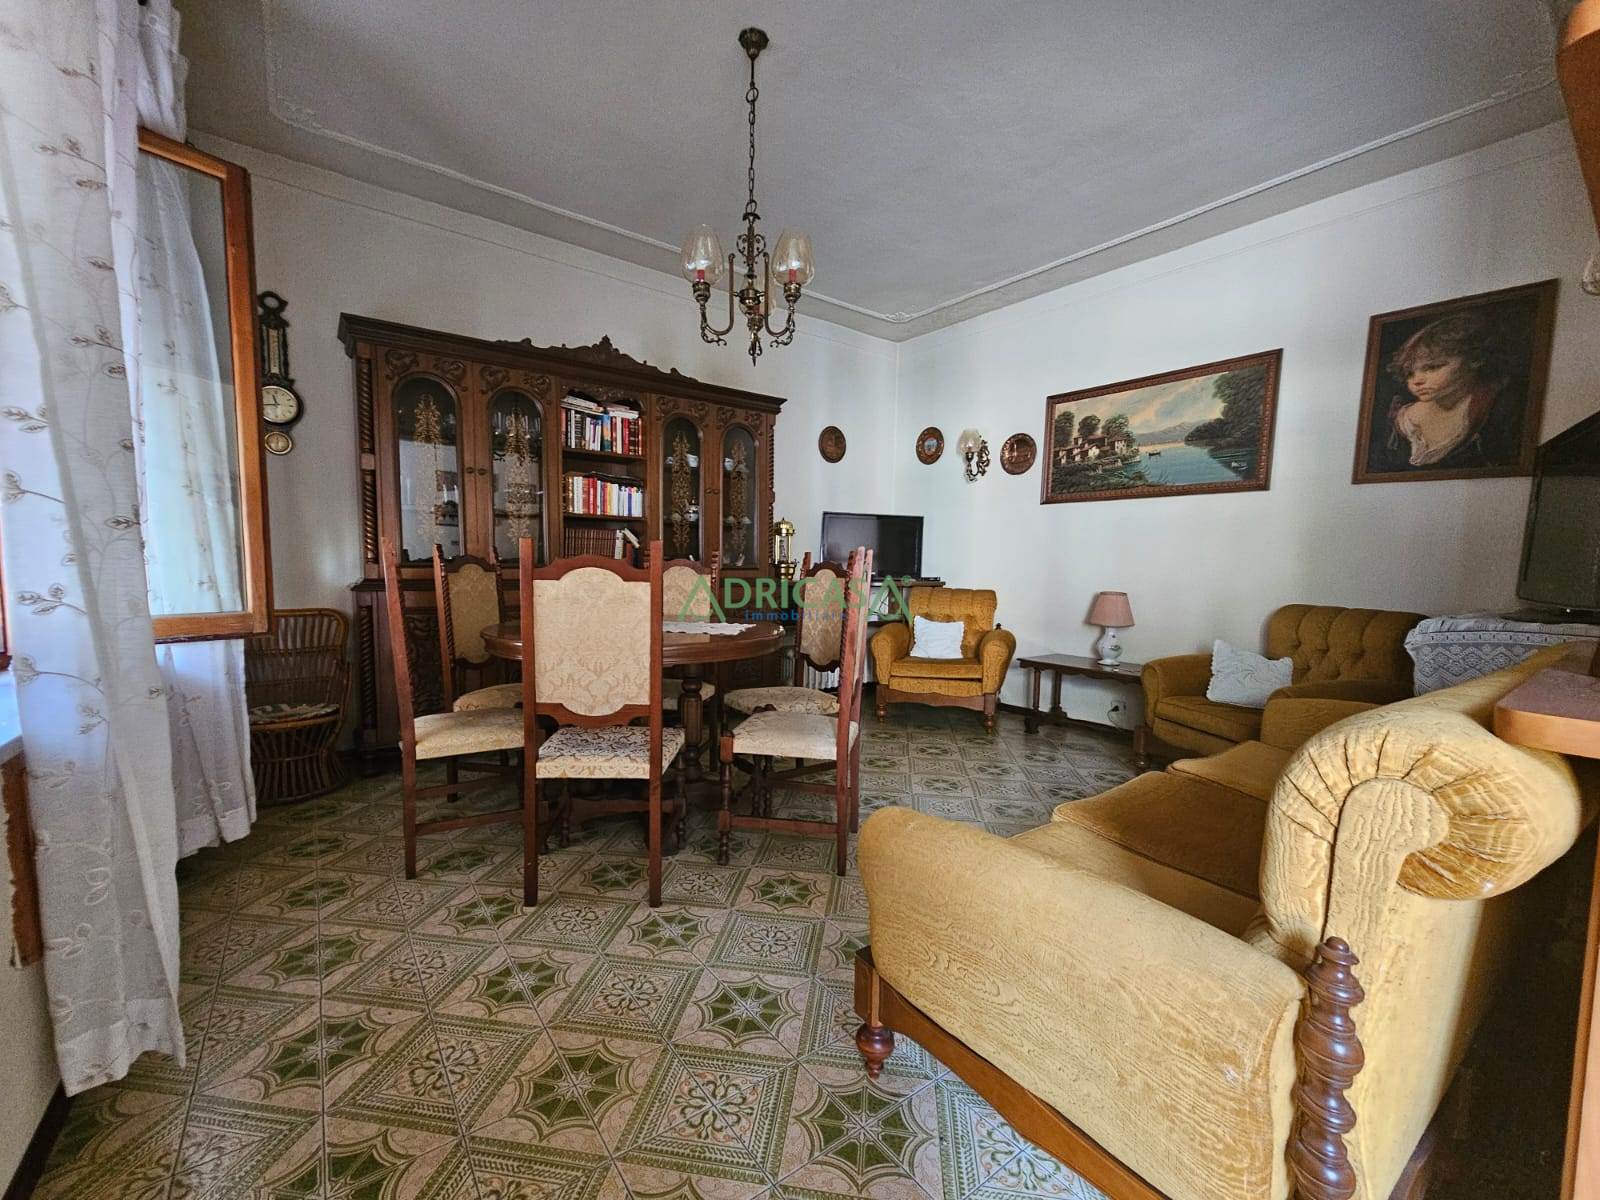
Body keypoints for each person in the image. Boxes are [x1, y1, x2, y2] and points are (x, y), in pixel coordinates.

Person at [1378, 311, 1517, 471]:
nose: (1417, 380)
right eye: (1410, 373)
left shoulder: (1495, 407)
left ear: (1474, 359)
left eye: (1432, 367)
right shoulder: (1403, 419)